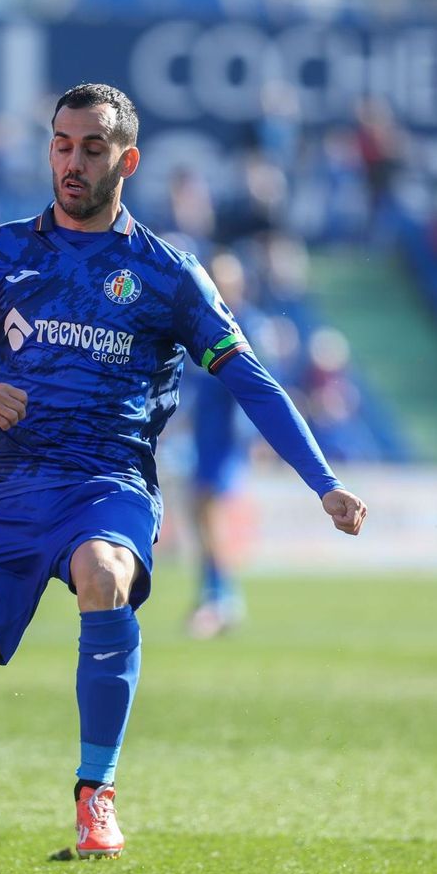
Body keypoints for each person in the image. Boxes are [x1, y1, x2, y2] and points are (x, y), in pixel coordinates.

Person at [0, 83, 366, 874]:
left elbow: (252, 381)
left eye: (90, 148)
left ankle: (96, 791)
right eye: (61, 145)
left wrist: (324, 481)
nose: (72, 163)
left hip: (106, 481)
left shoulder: (166, 274)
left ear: (128, 160)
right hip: (6, 493)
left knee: (105, 573)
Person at [185, 252, 257, 639]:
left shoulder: (246, 324)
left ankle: (222, 599)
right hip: (205, 436)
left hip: (225, 439)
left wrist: (247, 437)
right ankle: (211, 594)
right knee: (200, 515)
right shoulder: (202, 320)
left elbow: (254, 386)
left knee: (210, 517)